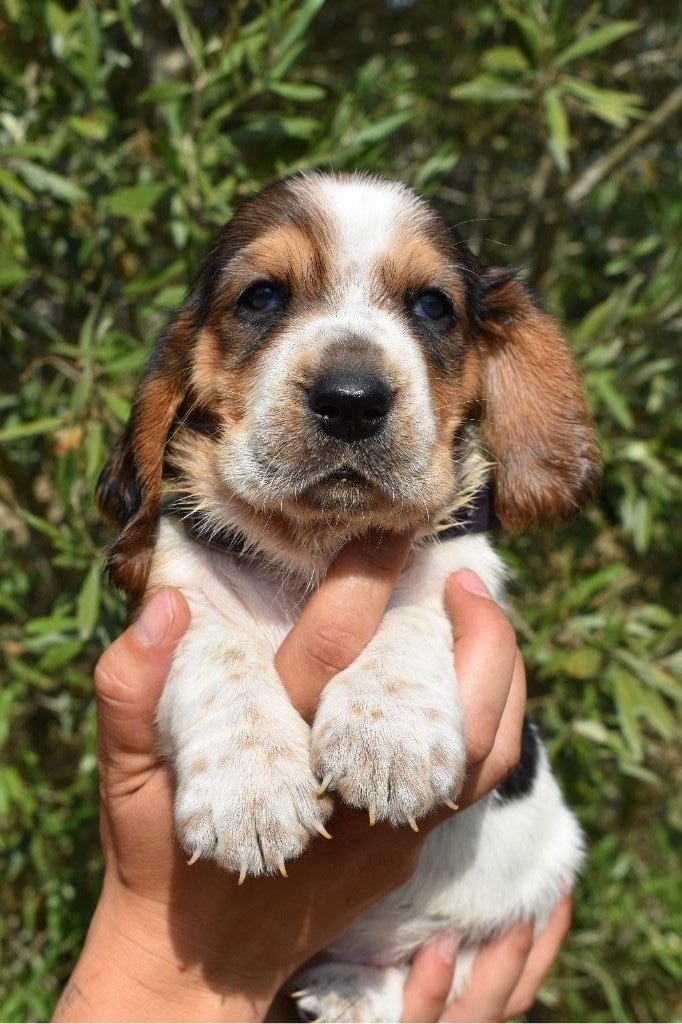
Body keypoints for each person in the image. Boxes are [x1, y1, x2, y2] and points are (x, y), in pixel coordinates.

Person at [53, 533, 571, 1023]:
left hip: (467, 930)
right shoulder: (194, 549)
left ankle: (375, 988)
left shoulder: (456, 548)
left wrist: (396, 675)